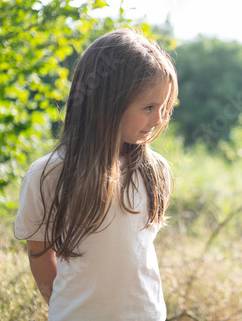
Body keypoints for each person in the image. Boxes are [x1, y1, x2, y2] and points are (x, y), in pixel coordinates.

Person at [14, 28, 178, 321]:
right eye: (149, 107)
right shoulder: (48, 174)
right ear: (106, 104)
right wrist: (64, 306)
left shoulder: (157, 171)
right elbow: (38, 251)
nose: (159, 119)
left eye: (165, 107)